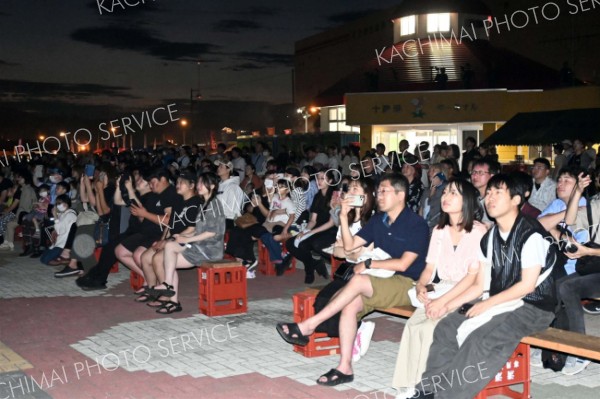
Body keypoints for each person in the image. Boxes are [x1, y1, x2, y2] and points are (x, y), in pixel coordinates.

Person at [276, 173, 429, 387]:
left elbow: (403, 264)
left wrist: (368, 265)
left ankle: (308, 326)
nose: (379, 196)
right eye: (379, 191)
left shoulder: (416, 224)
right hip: (380, 280)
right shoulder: (379, 220)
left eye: (384, 191)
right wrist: (343, 217)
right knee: (350, 307)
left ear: (400, 194)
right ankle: (345, 367)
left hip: (407, 283)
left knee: (358, 279)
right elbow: (349, 247)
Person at [414, 174, 557, 399]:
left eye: (497, 192)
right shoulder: (489, 238)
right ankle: (428, 390)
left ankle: (448, 396)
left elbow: (527, 286)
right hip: (500, 301)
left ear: (516, 199)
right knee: (447, 326)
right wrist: (448, 305)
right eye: (488, 192)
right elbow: (480, 285)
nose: (489, 198)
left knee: (481, 339)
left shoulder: (531, 234)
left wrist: (486, 304)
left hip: (533, 308)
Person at [392, 178, 487, 398]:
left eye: (453, 193)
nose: (445, 197)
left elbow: (472, 278)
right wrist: (421, 286)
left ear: (467, 201)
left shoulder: (478, 231)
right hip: (443, 287)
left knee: (429, 329)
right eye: (445, 193)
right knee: (413, 325)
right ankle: (409, 383)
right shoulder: (439, 230)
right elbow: (429, 267)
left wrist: (442, 302)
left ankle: (426, 386)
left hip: (468, 291)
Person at [149, 173, 225, 314]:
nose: (199, 186)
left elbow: (212, 232)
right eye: (199, 183)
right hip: (199, 246)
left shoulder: (214, 205)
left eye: (202, 183)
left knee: (168, 258)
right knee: (169, 250)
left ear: (212, 186)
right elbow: (197, 230)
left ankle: (169, 290)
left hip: (209, 250)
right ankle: (171, 295)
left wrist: (186, 239)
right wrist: (182, 235)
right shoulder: (204, 204)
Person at [555, 171, 600, 374]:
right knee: (559, 285)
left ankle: (579, 350)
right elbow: (570, 219)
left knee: (568, 286)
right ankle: (571, 346)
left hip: (593, 259)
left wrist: (587, 251)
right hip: (594, 266)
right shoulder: (595, 205)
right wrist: (578, 191)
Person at [284, 169, 337, 284]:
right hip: (317, 229)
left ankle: (309, 270)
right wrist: (305, 231)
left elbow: (331, 223)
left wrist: (310, 232)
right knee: (291, 243)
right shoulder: (317, 196)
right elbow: (313, 220)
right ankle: (314, 264)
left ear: (330, 180)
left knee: (310, 244)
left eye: (323, 178)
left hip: (330, 230)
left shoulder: (334, 196)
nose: (319, 181)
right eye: (318, 178)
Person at [215, 160, 244, 230]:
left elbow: (232, 210)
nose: (218, 168)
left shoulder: (233, 187)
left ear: (228, 170)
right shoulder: (219, 185)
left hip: (228, 221)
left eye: (221, 167)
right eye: (218, 166)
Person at [470, 159, 500, 226]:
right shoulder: (472, 196)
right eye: (473, 172)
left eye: (480, 173)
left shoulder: (495, 199)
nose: (475, 176)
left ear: (492, 176)